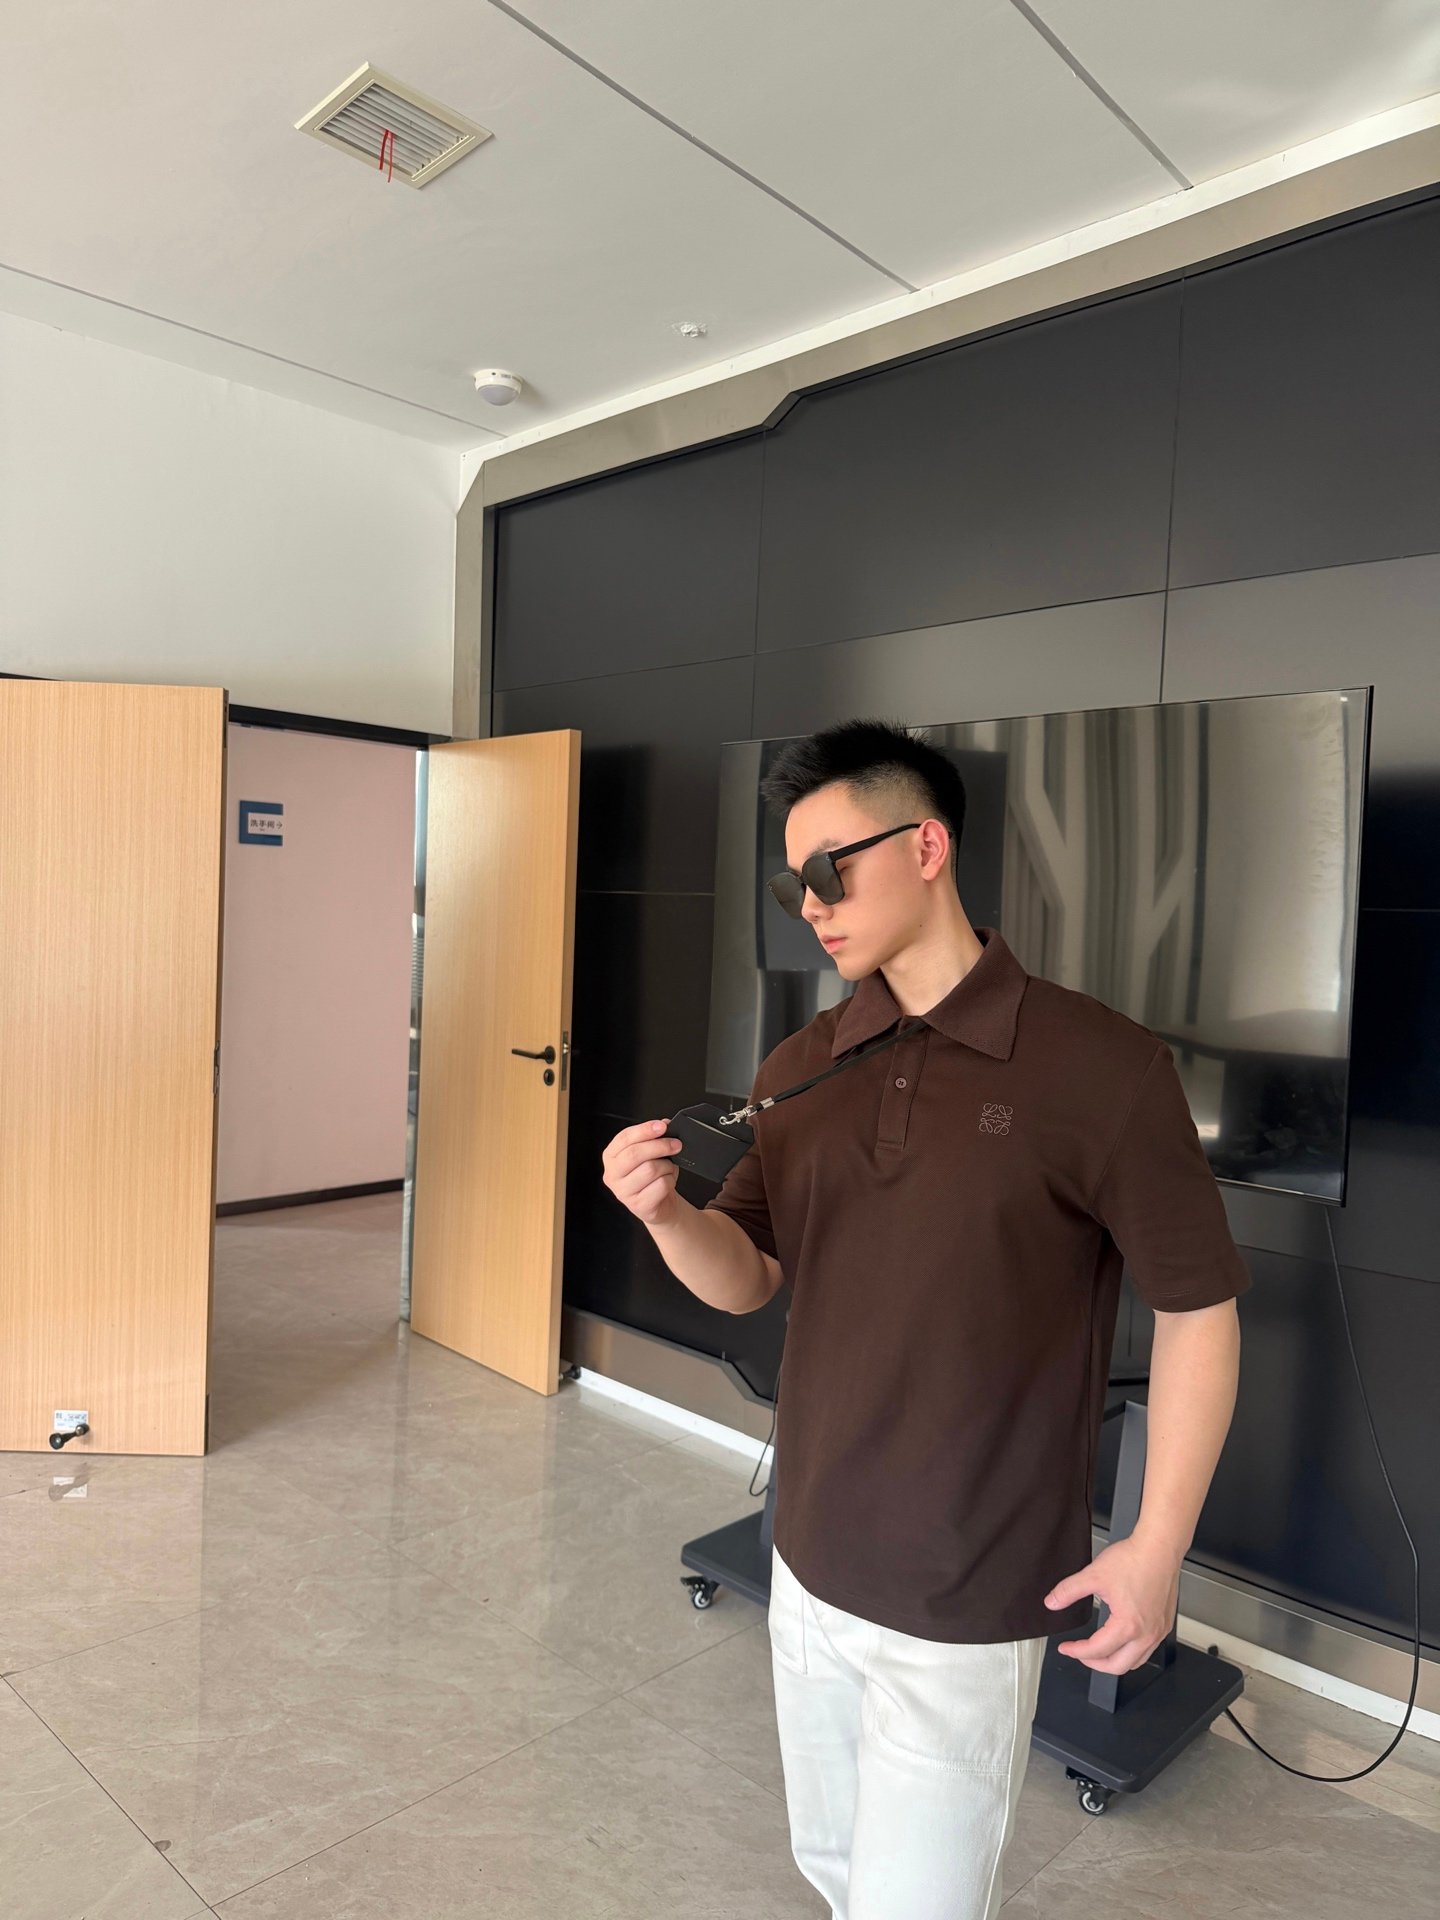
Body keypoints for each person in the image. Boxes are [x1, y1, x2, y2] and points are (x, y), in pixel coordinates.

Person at [601, 717, 1250, 1920]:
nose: (810, 903)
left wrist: (1157, 1546)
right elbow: (749, 1277)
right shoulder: (800, 1067)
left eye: (830, 869)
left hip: (968, 1588)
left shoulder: (1103, 1069)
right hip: (808, 1554)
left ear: (928, 846)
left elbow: (1199, 1312)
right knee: (834, 1870)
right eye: (792, 883)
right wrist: (666, 1217)